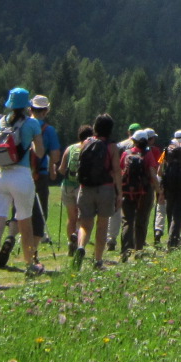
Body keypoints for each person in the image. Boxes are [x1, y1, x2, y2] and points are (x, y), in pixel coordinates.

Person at [0, 88, 45, 284]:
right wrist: (31, 144)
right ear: (27, 106)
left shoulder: (1, 122)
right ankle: (29, 265)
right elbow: (40, 152)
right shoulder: (32, 123)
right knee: (25, 222)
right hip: (21, 175)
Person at [73, 114, 122, 269]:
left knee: (85, 224)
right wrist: (119, 193)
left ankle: (81, 246)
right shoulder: (112, 147)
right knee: (102, 225)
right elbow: (116, 170)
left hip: (86, 187)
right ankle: (98, 260)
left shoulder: (86, 142)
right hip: (105, 188)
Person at [117, 127, 157, 261]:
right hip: (144, 192)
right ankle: (138, 250)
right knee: (141, 220)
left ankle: (125, 251)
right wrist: (159, 189)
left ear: (133, 140)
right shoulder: (148, 154)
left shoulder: (126, 153)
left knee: (127, 221)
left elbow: (121, 171)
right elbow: (152, 173)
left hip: (127, 192)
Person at [28, 95, 60, 244]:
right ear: (46, 111)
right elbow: (55, 155)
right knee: (40, 210)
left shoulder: (23, 125)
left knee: (21, 208)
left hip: (20, 172)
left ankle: (15, 235)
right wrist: (53, 168)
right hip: (40, 173)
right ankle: (35, 243)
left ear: (31, 109)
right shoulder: (48, 130)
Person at [60, 124, 94, 257]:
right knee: (82, 218)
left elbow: (62, 169)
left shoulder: (70, 148)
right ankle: (79, 243)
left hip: (67, 185)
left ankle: (71, 242)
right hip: (82, 186)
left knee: (71, 218)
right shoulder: (90, 148)